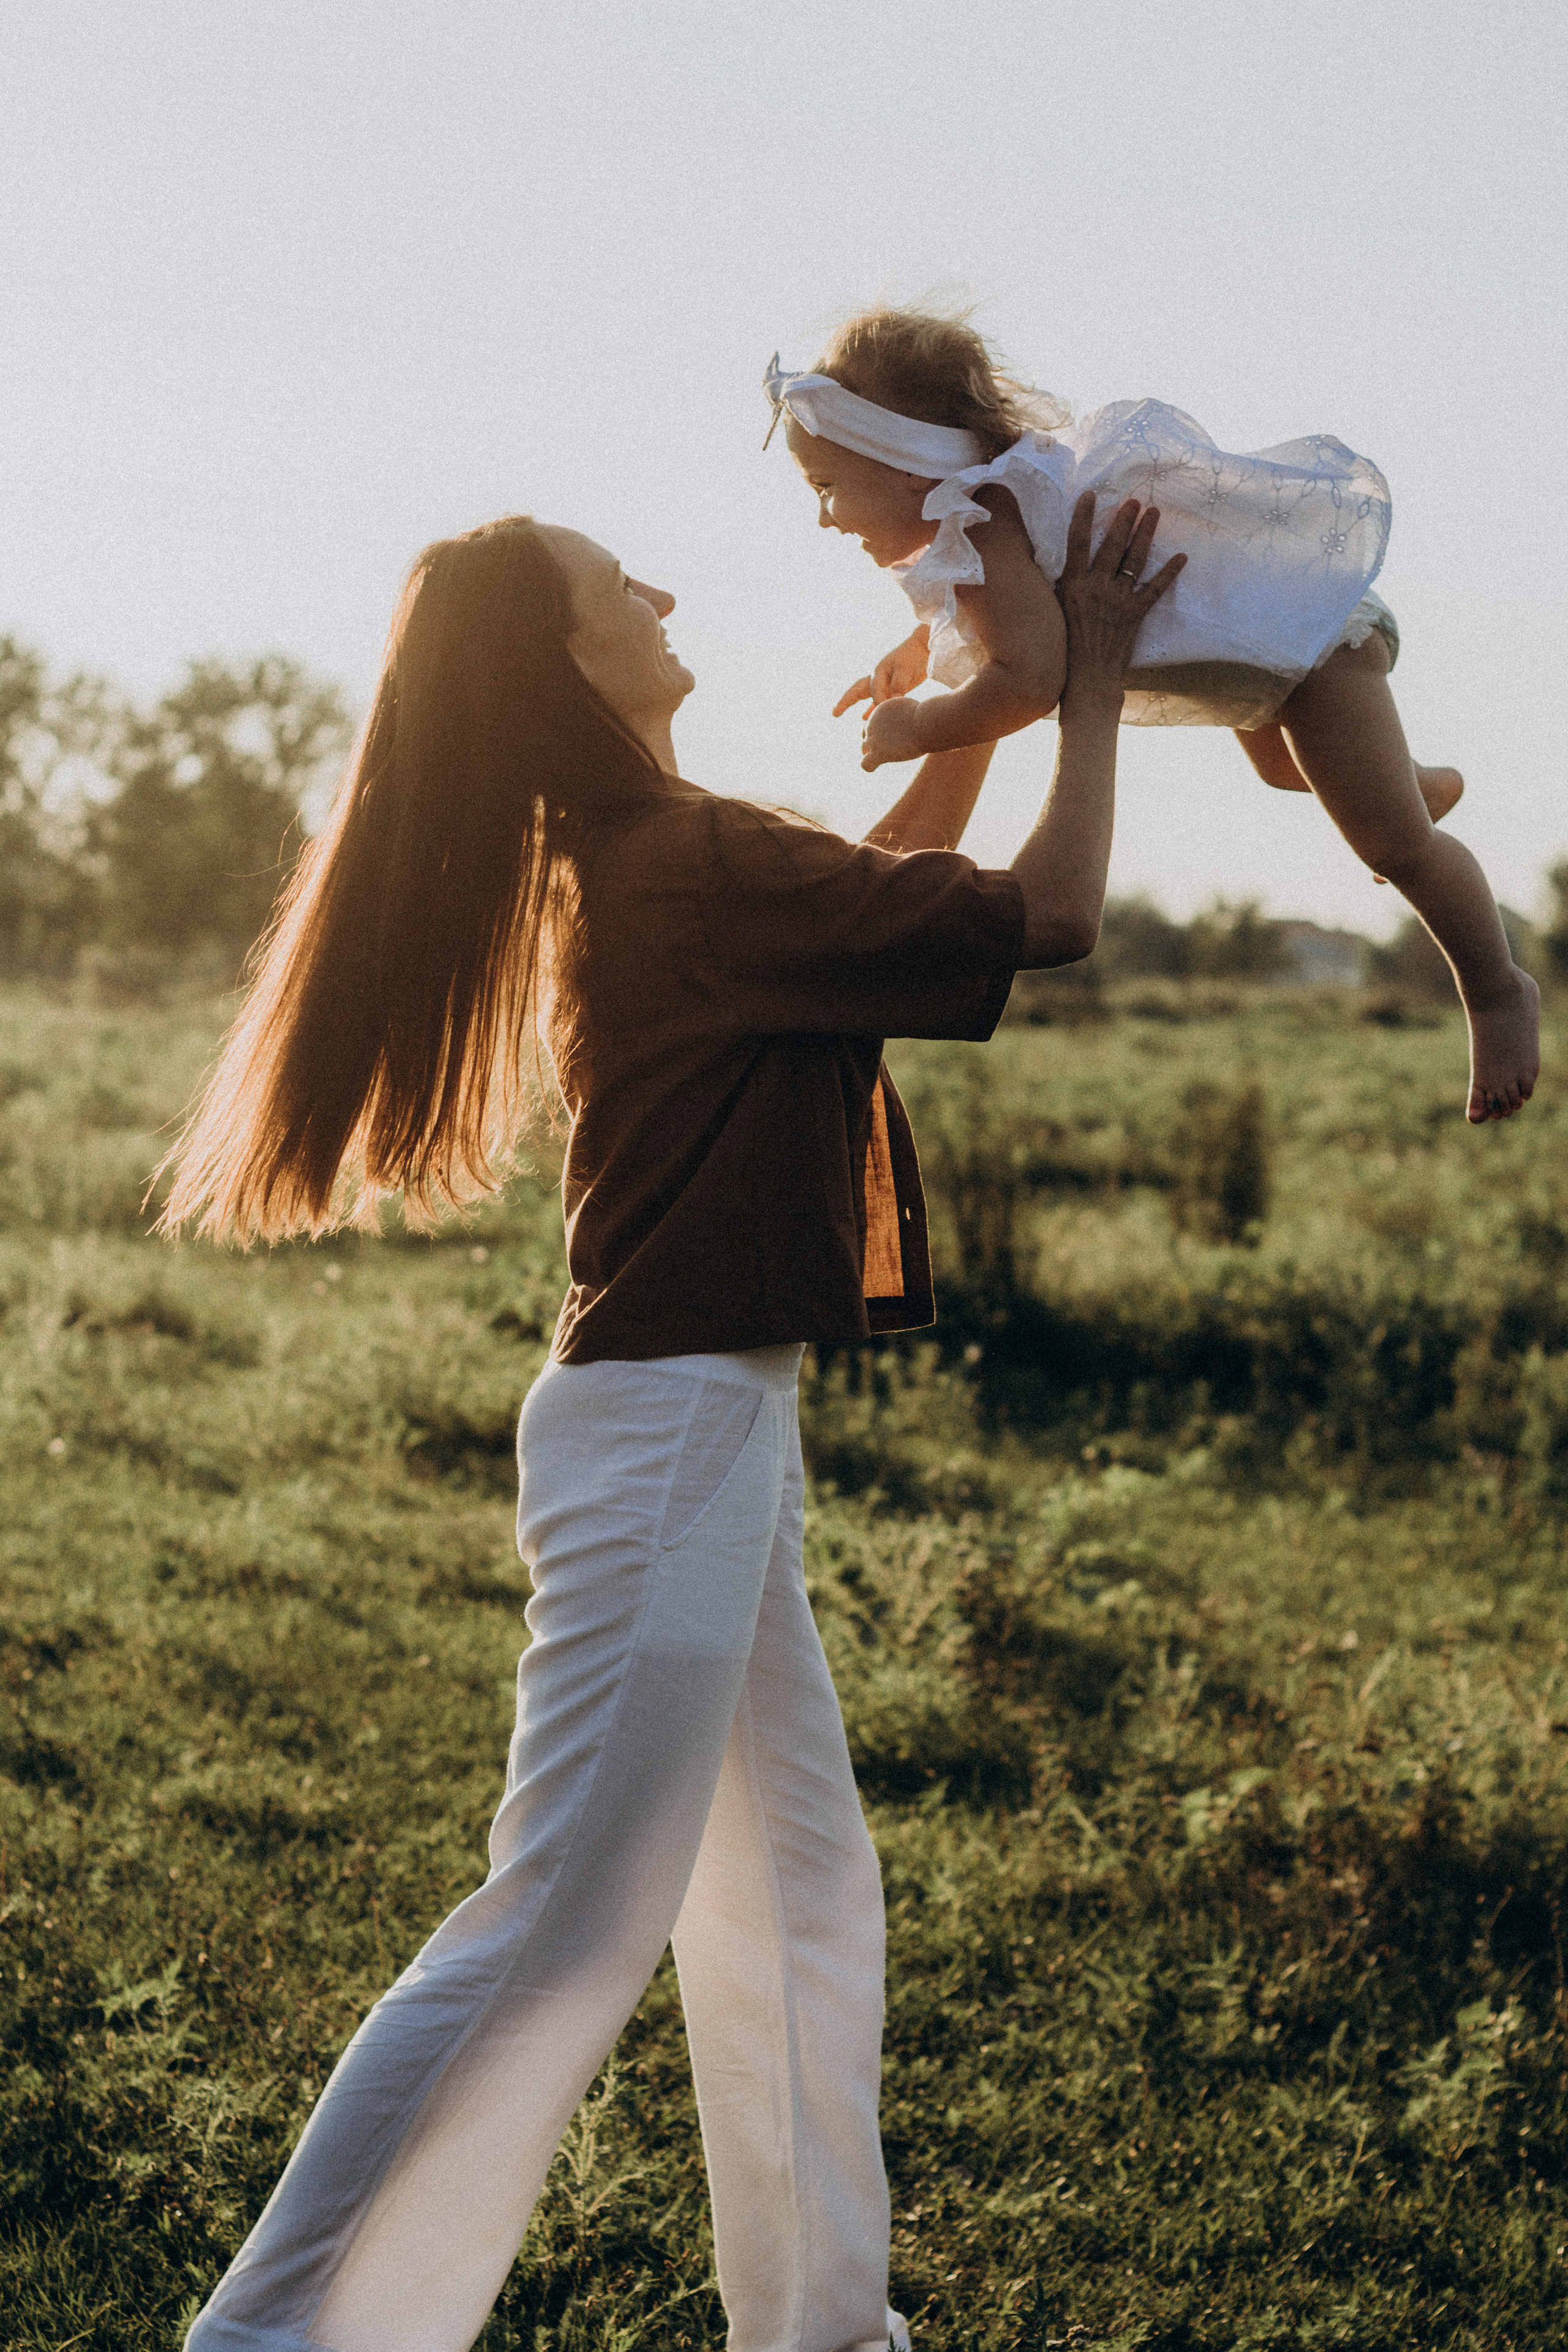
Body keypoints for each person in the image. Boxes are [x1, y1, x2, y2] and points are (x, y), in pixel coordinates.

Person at [160, 489, 1180, 2352]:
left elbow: (888, 914)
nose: (662, 588)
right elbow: (1054, 918)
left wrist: (981, 712)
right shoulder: (681, 859)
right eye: (617, 582)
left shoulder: (667, 857)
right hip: (674, 1433)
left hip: (698, 1426)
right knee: (558, 1927)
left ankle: (823, 2326)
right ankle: (273, 2342)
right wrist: (1086, 690)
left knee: (794, 1888)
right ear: (567, 659)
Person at [766, 306, 1540, 1125]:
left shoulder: (986, 522)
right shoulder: (985, 521)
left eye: (826, 488)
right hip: (1258, 662)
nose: (824, 516)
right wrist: (916, 654)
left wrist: (919, 726)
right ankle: (1416, 782)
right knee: (1287, 770)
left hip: (1315, 646)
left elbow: (1029, 678)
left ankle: (1496, 991)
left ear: (908, 467)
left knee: (1394, 845)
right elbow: (989, 621)